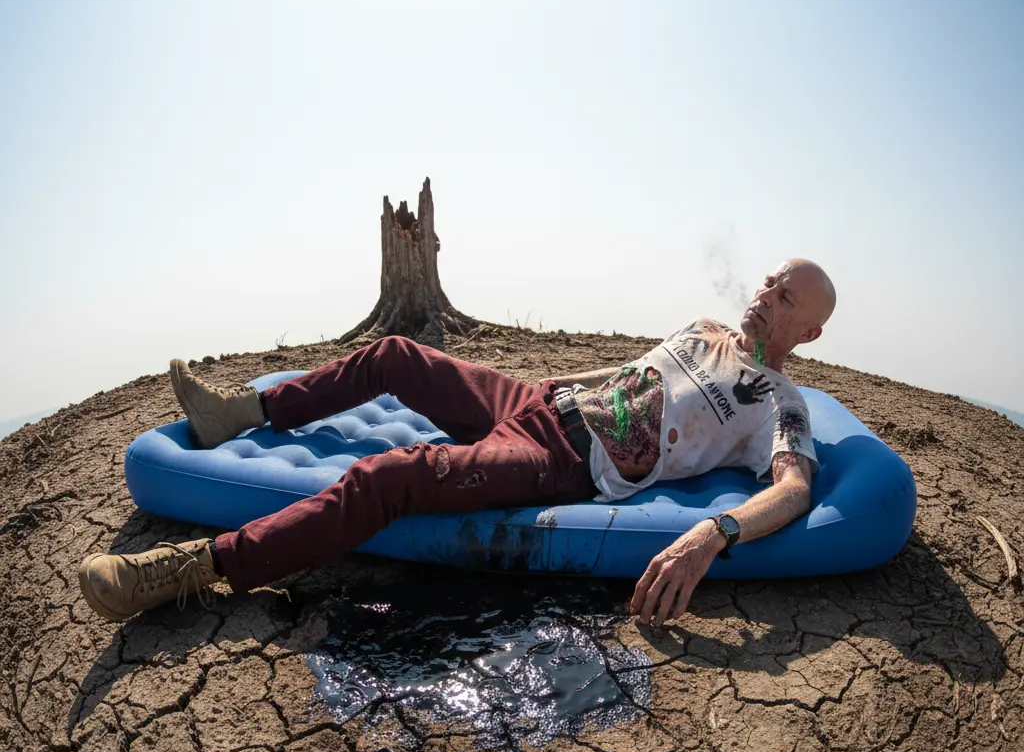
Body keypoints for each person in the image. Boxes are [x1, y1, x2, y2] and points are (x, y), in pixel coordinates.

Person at [79, 258, 836, 627]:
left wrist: (711, 533)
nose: (765, 296)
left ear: (808, 331)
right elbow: (630, 374)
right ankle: (245, 413)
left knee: (391, 475)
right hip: (537, 402)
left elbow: (795, 489)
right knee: (395, 355)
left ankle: (197, 567)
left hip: (563, 462)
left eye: (785, 298)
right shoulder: (703, 329)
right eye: (769, 282)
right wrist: (544, 382)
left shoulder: (779, 403)